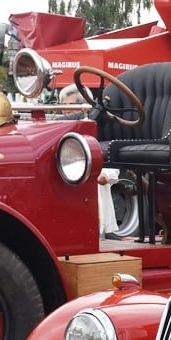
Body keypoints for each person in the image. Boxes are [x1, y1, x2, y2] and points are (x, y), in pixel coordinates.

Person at [60, 85, 122, 239]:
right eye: (63, 105)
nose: (65, 111)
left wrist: (103, 175)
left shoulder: (96, 129)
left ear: (84, 108)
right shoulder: (58, 130)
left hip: (93, 201)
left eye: (71, 106)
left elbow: (110, 159)